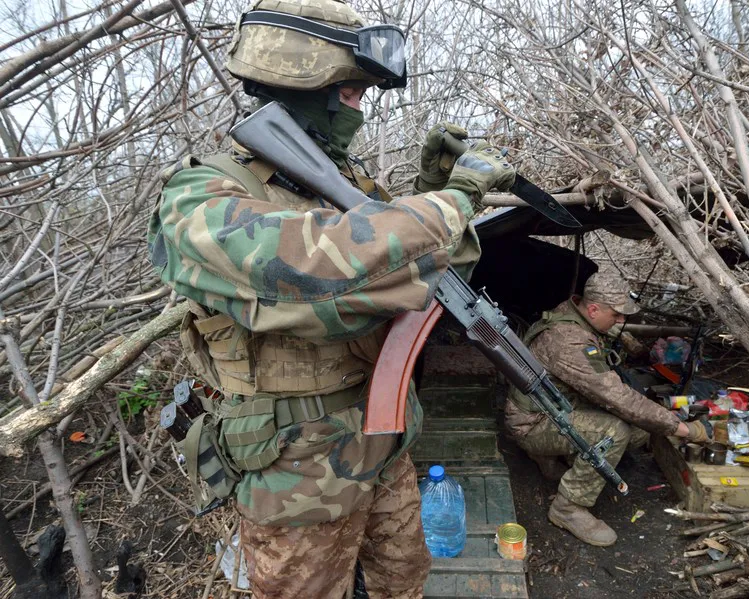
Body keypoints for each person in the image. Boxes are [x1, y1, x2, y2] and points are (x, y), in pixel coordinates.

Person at [147, 0, 515, 596]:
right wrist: (455, 200)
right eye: (350, 94)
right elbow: (325, 264)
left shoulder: (340, 183)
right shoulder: (202, 195)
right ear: (304, 87)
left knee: (404, 577)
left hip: (381, 433)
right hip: (295, 465)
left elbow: (409, 262)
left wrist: (431, 188)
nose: (359, 110)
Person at [504, 269, 712, 547]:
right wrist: (682, 428)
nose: (621, 321)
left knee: (638, 429)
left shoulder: (571, 313)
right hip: (532, 423)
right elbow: (618, 397)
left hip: (550, 407)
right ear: (592, 309)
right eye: (616, 315)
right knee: (614, 431)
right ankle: (568, 507)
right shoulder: (569, 341)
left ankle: (552, 459)